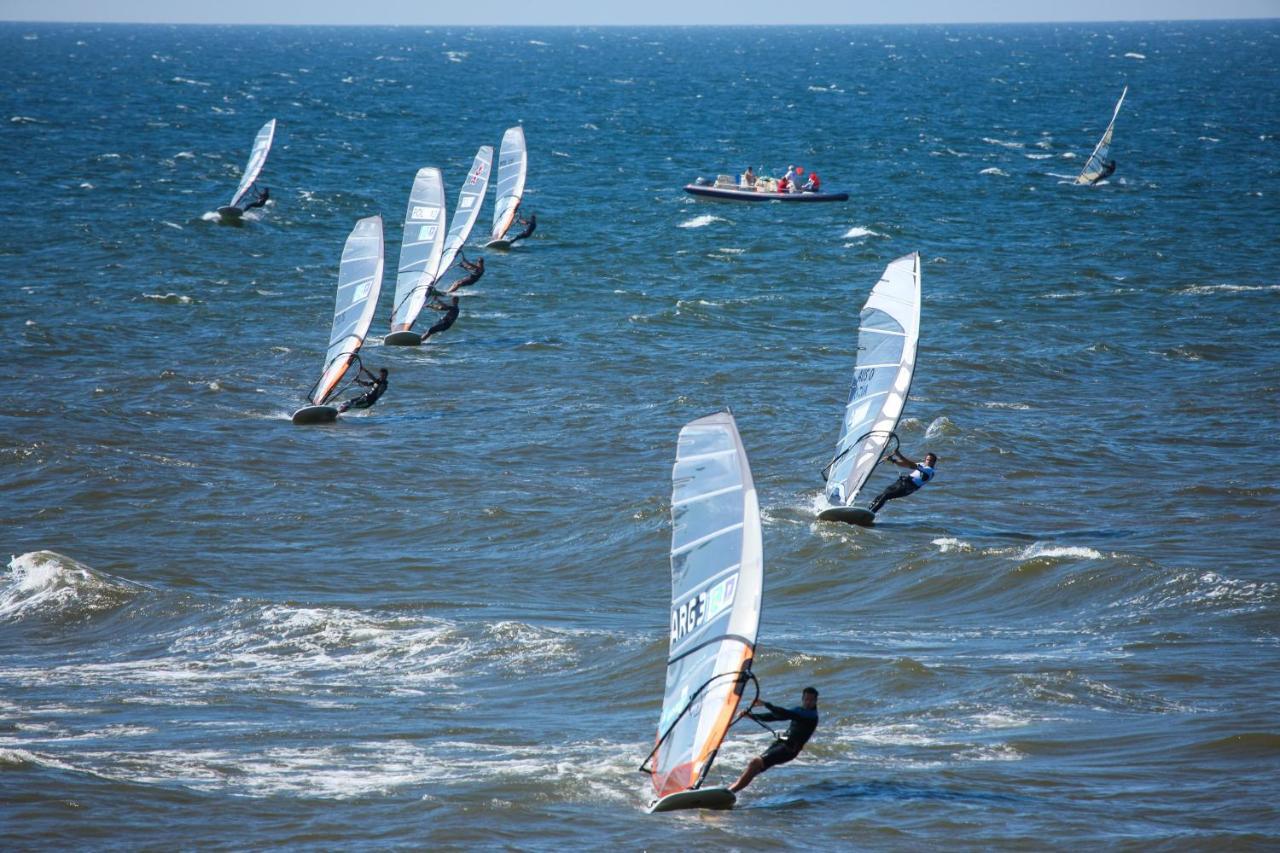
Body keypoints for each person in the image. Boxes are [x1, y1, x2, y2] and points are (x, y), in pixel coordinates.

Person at [728, 687, 820, 794]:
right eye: (806, 699)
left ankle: (731, 791)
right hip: (781, 744)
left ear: (816, 701)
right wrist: (752, 716)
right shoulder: (800, 710)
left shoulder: (811, 715)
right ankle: (730, 791)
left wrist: (766, 704)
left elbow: (784, 713)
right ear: (802, 699)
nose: (808, 702)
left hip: (789, 749)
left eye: (811, 700)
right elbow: (775, 716)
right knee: (755, 767)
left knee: (755, 762)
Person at [868, 450, 937, 514]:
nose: (928, 461)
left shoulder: (930, 471)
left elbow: (912, 464)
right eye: (927, 459)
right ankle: (868, 510)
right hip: (903, 482)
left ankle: (871, 513)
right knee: (881, 495)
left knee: (886, 496)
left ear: (934, 462)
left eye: (931, 460)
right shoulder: (922, 464)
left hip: (908, 487)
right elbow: (907, 465)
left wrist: (899, 455)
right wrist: (893, 460)